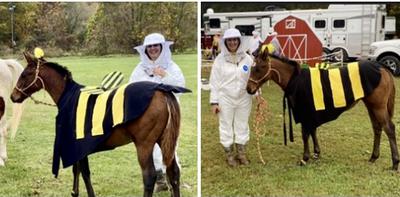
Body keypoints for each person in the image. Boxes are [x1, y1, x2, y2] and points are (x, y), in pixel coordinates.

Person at [129, 33, 185, 192]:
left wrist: (164, 75)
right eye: (150, 46)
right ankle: (160, 180)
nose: (153, 49)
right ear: (145, 50)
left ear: (162, 47)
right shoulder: (140, 69)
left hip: (169, 116)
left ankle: (173, 177)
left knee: (169, 147)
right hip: (146, 118)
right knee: (149, 148)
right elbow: (131, 89)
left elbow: (180, 87)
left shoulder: (171, 66)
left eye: (156, 46)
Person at [209, 28, 253, 167]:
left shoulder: (247, 59)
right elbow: (214, 82)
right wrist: (214, 102)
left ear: (239, 41)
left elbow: (253, 78)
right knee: (226, 124)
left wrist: (257, 95)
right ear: (225, 42)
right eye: (230, 40)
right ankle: (229, 154)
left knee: (242, 124)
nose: (232, 42)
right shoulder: (219, 60)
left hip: (244, 97)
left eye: (235, 40)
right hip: (225, 98)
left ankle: (241, 153)